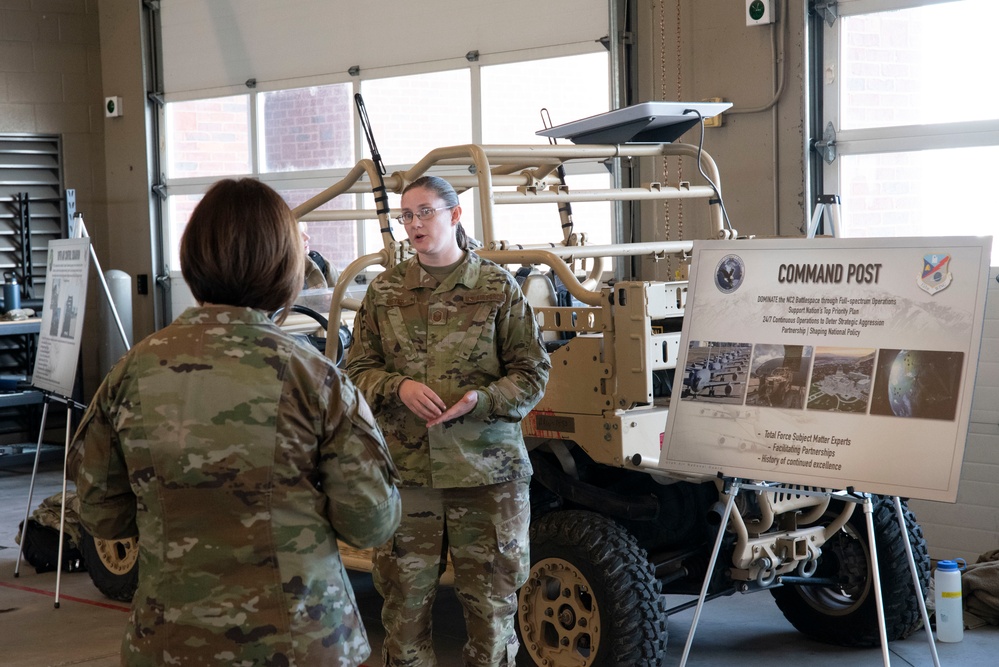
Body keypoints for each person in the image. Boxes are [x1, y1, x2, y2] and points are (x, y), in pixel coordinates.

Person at [70, 178, 401, 667]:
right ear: (285, 266)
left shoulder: (131, 373)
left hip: (170, 641)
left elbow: (100, 514)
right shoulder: (316, 377)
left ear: (193, 257)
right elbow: (371, 521)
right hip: (301, 640)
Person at [345, 175, 551, 666]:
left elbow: (533, 371)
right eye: (406, 216)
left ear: (455, 215)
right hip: (408, 475)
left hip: (488, 476)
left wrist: (481, 398)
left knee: (493, 615)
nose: (414, 225)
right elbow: (355, 370)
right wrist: (398, 387)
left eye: (424, 212)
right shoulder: (385, 291)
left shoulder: (498, 288)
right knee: (403, 612)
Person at [300, 220, 340, 290]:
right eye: (297, 234)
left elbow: (344, 297)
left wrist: (330, 299)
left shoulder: (319, 262)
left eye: (305, 232)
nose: (307, 237)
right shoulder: (276, 274)